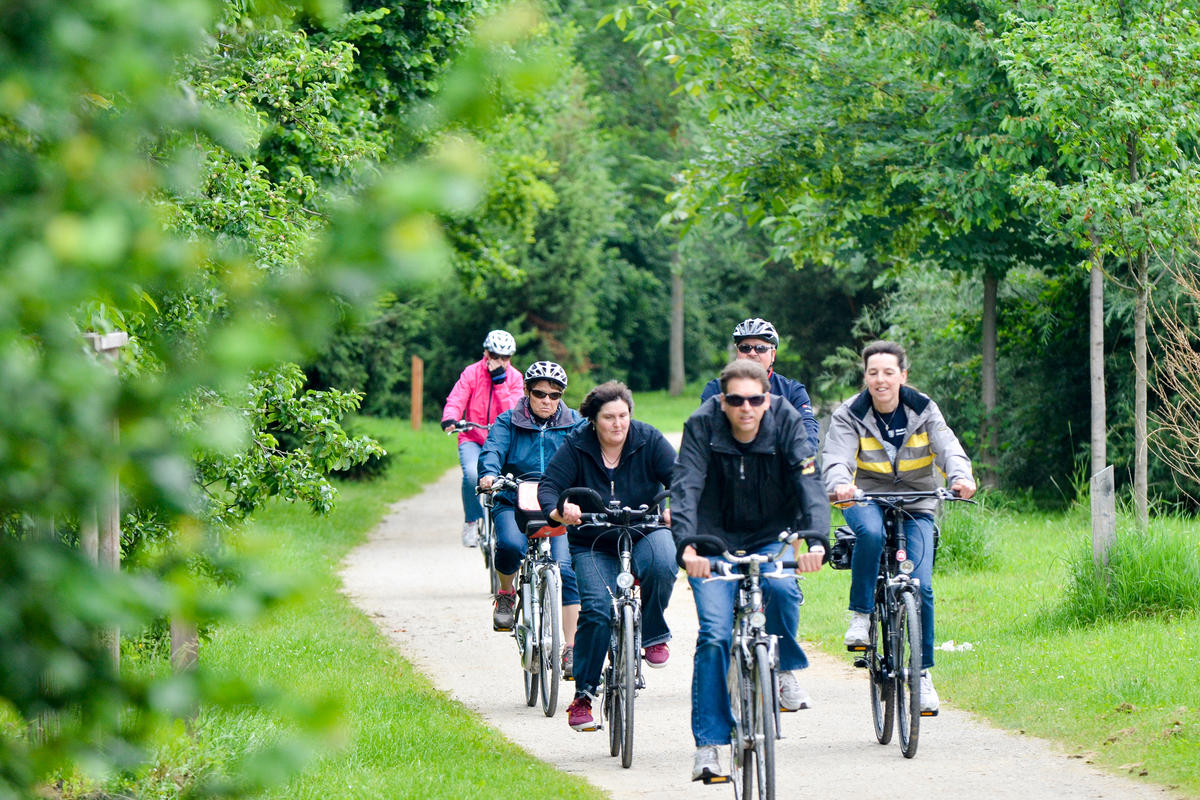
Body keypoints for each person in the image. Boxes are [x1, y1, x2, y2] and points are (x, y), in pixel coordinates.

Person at [673, 359, 830, 782]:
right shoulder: (701, 424)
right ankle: (708, 745)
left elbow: (809, 481)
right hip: (712, 539)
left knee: (781, 592)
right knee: (715, 634)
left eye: (755, 399)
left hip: (770, 533)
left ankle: (781, 670)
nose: (746, 408)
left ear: (767, 398)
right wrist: (687, 545)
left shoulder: (787, 420)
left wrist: (815, 537)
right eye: (736, 400)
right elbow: (685, 486)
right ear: (723, 401)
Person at [822, 340, 976, 716]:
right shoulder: (850, 414)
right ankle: (861, 616)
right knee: (871, 535)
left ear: (903, 376)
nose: (881, 380)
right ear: (866, 377)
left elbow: (948, 447)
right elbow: (837, 457)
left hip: (919, 500)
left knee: (920, 587)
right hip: (865, 497)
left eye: (889, 372)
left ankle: (921, 676)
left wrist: (961, 476)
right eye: (873, 373)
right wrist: (840, 483)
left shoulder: (923, 409)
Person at [538, 381, 678, 732]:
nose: (618, 424)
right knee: (597, 610)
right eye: (609, 418)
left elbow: (682, 479)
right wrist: (561, 509)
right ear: (593, 419)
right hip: (593, 539)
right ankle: (583, 695)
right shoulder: (577, 445)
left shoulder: (648, 439)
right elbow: (550, 487)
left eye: (624, 416)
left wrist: (680, 507)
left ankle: (652, 632)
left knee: (663, 564)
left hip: (645, 529)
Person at [477, 361, 583, 677]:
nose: (547, 400)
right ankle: (507, 594)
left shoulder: (575, 423)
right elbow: (492, 452)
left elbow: (589, 454)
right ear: (526, 391)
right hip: (513, 499)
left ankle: (571, 648)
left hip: (558, 504)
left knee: (568, 570)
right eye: (539, 393)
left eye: (554, 394)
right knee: (509, 545)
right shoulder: (508, 421)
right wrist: (489, 476)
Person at [441, 330, 524, 547]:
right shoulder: (471, 373)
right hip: (473, 437)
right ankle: (472, 521)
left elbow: (514, 412)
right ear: (486, 353)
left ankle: (511, 525)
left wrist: (500, 383)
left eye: (506, 358)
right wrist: (450, 417)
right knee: (471, 474)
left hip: (502, 441)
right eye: (496, 356)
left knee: (511, 480)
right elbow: (457, 398)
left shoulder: (515, 378)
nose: (501, 362)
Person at [699, 317, 820, 453]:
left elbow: (807, 429)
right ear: (737, 352)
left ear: (773, 354)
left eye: (761, 348)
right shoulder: (716, 389)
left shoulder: (793, 391)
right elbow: (703, 432)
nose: (752, 353)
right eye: (745, 348)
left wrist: (802, 461)